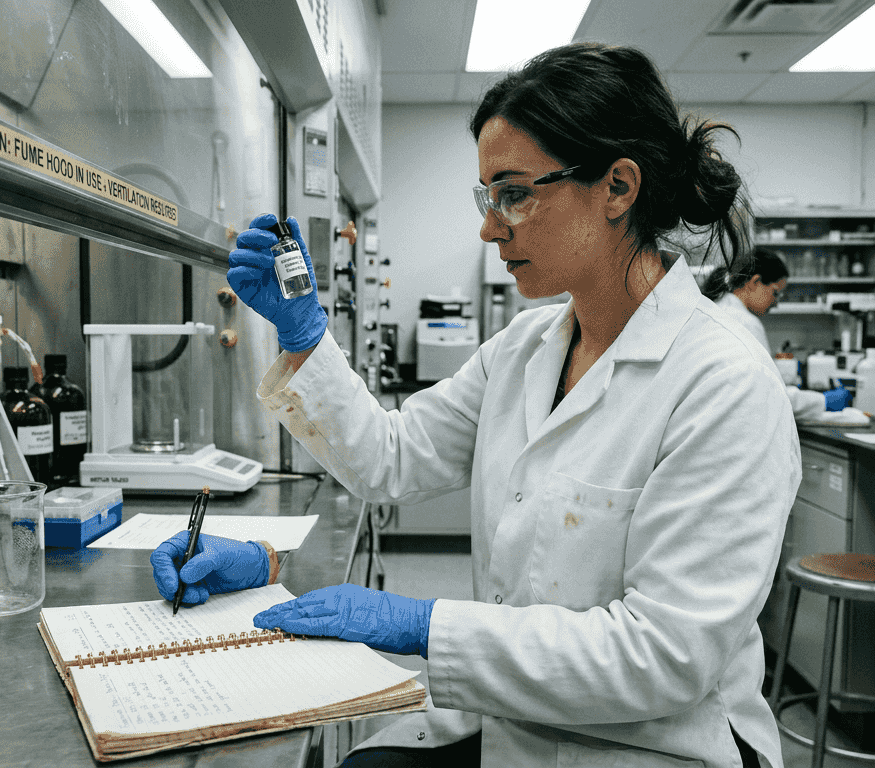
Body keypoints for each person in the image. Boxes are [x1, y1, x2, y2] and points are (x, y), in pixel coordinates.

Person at [152, 43, 799, 768]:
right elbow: (390, 459)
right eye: (487, 196)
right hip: (514, 719)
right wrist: (305, 332)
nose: (491, 227)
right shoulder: (524, 349)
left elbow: (665, 656)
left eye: (515, 193)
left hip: (657, 744)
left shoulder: (724, 383)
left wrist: (424, 626)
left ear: (618, 187)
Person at [702, 249, 852, 419]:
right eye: (775, 293)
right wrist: (823, 401)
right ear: (755, 281)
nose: (776, 303)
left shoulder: (718, 308)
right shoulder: (744, 322)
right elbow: (771, 394)